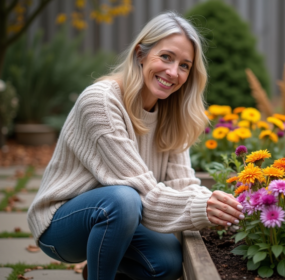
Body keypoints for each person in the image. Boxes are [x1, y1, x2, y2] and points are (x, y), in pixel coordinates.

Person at [27, 12, 244, 280]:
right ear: (140, 54)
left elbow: (182, 185)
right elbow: (142, 194)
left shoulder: (173, 113)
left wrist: (213, 203)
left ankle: (102, 265)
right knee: (123, 198)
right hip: (61, 225)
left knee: (169, 263)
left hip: (119, 219)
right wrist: (203, 206)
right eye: (166, 57)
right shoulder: (101, 102)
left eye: (185, 65)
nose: (173, 72)